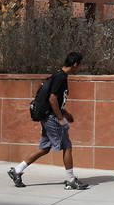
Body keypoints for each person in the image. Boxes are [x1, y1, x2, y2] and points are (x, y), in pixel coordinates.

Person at [8, 51, 89, 191]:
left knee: (44, 148)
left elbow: (56, 100)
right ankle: (71, 180)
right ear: (75, 64)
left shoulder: (58, 75)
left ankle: (17, 170)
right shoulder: (61, 77)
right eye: (79, 65)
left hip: (48, 117)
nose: (79, 68)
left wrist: (66, 113)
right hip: (52, 118)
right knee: (67, 146)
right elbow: (52, 99)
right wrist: (61, 119)